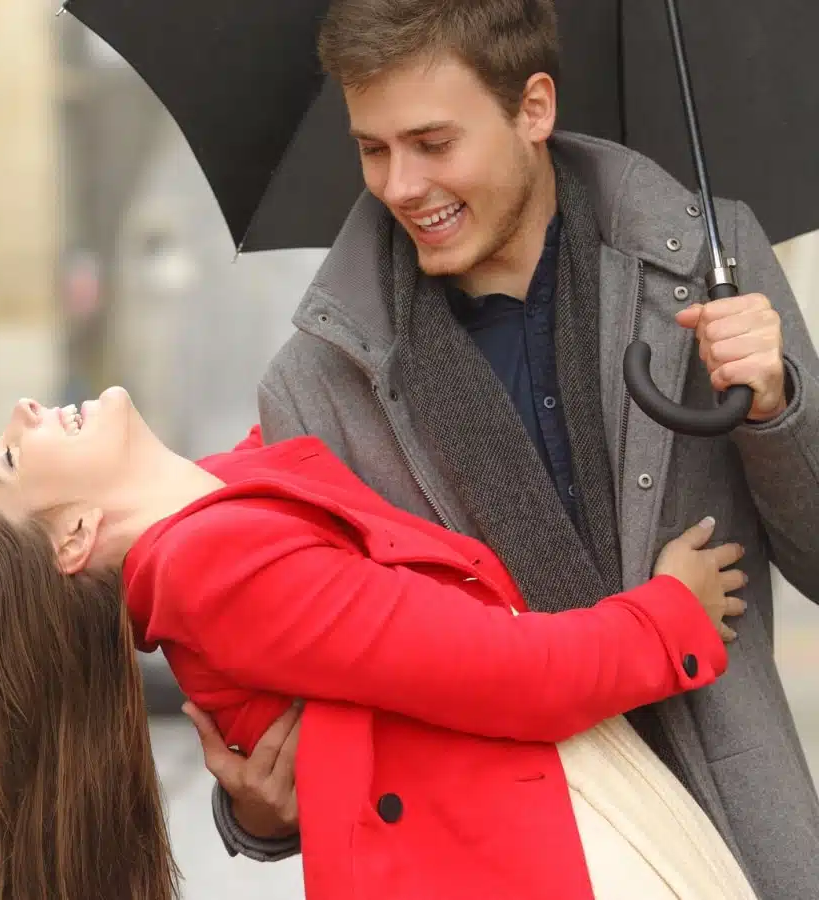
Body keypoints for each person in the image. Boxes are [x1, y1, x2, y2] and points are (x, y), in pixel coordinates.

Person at [195, 1, 819, 896]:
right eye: (373, 149)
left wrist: (777, 406)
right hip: (494, 868)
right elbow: (321, 695)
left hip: (736, 848)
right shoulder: (314, 388)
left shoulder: (711, 265)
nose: (402, 185)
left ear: (533, 108)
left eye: (433, 142)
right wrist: (257, 813)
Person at [0, 387, 754, 900]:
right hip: (548, 847)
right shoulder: (212, 572)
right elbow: (510, 671)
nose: (24, 410)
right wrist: (673, 613)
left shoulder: (221, 513)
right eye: (9, 456)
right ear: (74, 533)